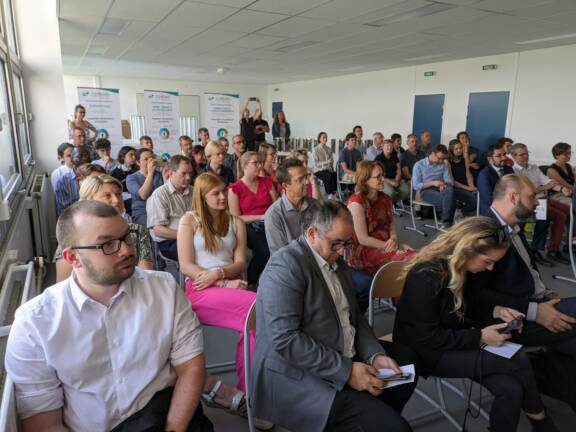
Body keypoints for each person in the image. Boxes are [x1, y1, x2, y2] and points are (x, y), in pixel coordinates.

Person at [6, 201, 213, 432]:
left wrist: (174, 428)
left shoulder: (164, 289)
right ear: (73, 258)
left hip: (168, 419)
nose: (126, 250)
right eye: (108, 245)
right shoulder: (35, 323)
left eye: (126, 237)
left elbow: (191, 367)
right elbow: (44, 424)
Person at [251, 200, 418, 432]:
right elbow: (286, 340)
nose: (342, 252)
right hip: (297, 375)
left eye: (346, 243)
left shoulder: (332, 258)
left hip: (335, 347)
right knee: (395, 428)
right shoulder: (285, 267)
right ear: (311, 234)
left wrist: (373, 355)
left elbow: (354, 316)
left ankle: (370, 414)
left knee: (407, 361)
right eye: (336, 244)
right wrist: (347, 371)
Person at [394, 217, 560, 432]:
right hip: (426, 352)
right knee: (518, 359)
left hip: (453, 339)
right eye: (488, 261)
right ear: (467, 250)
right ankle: (541, 422)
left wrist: (497, 311)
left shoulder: (464, 267)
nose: (490, 269)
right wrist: (480, 337)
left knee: (510, 388)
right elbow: (424, 337)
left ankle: (539, 423)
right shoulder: (426, 275)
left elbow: (468, 306)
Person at [474, 175, 576, 362]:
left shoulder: (512, 227)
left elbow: (527, 272)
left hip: (538, 302)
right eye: (531, 197)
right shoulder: (483, 233)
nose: (537, 202)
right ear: (513, 197)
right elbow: (477, 294)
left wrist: (546, 293)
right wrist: (534, 311)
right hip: (515, 318)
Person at [54, 175, 154, 282]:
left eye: (118, 194)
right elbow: (63, 283)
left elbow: (145, 277)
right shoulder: (73, 235)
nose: (116, 200)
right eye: (107, 196)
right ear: (89, 201)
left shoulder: (137, 230)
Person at [347, 161, 415, 275]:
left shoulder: (386, 199)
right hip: (364, 250)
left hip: (386, 244)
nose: (383, 179)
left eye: (382, 175)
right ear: (365, 180)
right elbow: (363, 239)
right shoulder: (357, 202)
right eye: (378, 177)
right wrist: (395, 247)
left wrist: (393, 240)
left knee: (415, 256)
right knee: (407, 260)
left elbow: (391, 226)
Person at [511, 143, 571, 265]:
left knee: (567, 211)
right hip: (527, 203)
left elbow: (548, 181)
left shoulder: (534, 168)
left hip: (543, 200)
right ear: (514, 156)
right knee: (550, 217)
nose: (526, 156)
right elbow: (524, 192)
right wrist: (542, 188)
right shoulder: (513, 171)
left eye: (527, 153)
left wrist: (561, 189)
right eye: (522, 154)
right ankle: (536, 250)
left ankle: (555, 249)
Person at [228, 151, 278, 285]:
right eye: (255, 163)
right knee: (265, 250)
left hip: (269, 222)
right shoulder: (235, 188)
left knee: (282, 245)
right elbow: (236, 218)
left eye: (260, 163)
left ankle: (274, 280)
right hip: (247, 226)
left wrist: (268, 217)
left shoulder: (267, 182)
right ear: (245, 166)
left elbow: (276, 206)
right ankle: (251, 282)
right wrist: (260, 216)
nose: (260, 166)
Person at [147, 155, 194, 261]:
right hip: (170, 241)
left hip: (194, 235)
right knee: (197, 251)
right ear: (170, 172)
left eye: (190, 173)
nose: (188, 177)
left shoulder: (193, 191)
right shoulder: (160, 194)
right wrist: (187, 235)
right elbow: (158, 230)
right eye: (184, 173)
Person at [412, 144, 456, 228]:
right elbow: (416, 186)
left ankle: (447, 221)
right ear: (432, 154)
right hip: (426, 190)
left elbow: (449, 181)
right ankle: (448, 222)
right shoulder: (419, 165)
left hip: (441, 187)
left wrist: (444, 184)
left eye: (443, 159)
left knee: (450, 191)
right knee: (450, 199)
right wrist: (433, 183)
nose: (441, 161)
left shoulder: (443, 164)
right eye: (439, 158)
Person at [126, 147, 165, 227]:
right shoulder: (131, 178)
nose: (151, 162)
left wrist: (165, 176)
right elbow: (143, 195)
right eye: (146, 159)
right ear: (138, 162)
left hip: (160, 209)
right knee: (155, 227)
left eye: (152, 158)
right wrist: (150, 173)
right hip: (142, 212)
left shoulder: (159, 174)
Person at [477, 143, 514, 214]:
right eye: (499, 156)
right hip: (492, 211)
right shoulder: (484, 175)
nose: (504, 158)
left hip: (510, 205)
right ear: (489, 158)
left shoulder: (509, 169)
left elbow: (515, 187)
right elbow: (488, 200)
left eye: (504, 154)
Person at [54, 146, 92, 214]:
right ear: (72, 159)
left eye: (87, 155)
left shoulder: (96, 176)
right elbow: (64, 210)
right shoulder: (62, 182)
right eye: (80, 156)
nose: (84, 158)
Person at [447, 138, 478, 217]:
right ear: (451, 150)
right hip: (456, 187)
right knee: (474, 200)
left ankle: (463, 214)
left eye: (460, 148)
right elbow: (452, 181)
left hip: (467, 186)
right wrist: (468, 188)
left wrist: (472, 186)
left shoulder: (464, 159)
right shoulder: (447, 162)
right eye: (456, 149)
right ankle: (461, 212)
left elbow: (468, 174)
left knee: (480, 196)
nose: (459, 150)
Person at [110, 145, 138, 214]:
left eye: (135, 155)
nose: (134, 157)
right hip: (123, 198)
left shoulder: (138, 170)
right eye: (131, 155)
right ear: (123, 157)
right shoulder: (115, 172)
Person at [546, 142, 575, 206]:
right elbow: (566, 185)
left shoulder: (568, 166)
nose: (569, 156)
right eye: (565, 154)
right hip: (558, 195)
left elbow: (574, 182)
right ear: (557, 155)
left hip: (570, 192)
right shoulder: (551, 170)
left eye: (570, 153)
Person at [312, 131, 337, 195]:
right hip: (318, 170)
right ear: (319, 139)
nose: (325, 139)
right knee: (328, 175)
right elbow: (316, 164)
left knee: (335, 174)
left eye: (326, 137)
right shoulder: (316, 149)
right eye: (323, 137)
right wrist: (326, 162)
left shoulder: (329, 149)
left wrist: (330, 164)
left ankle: (334, 192)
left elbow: (331, 160)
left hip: (327, 169)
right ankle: (329, 193)